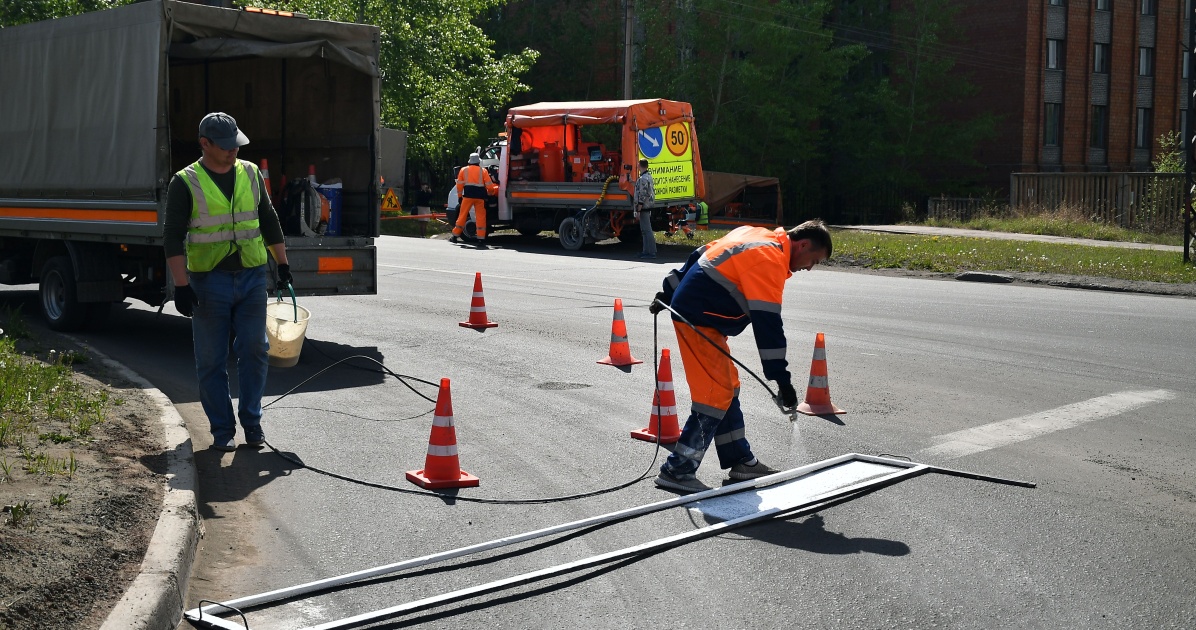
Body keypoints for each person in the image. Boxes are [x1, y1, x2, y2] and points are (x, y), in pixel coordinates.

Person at [648, 220, 833, 493]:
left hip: (703, 316)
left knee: (728, 386)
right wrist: (782, 381)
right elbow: (768, 325)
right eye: (813, 260)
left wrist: (668, 289)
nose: (809, 267)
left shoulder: (755, 234)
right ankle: (678, 469)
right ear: (803, 244)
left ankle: (740, 460)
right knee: (714, 394)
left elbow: (701, 254)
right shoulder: (770, 259)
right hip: (697, 319)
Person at [163, 112, 290, 453]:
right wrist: (181, 285)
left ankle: (252, 423)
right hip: (208, 283)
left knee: (255, 348)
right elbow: (172, 237)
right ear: (204, 144)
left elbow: (267, 218)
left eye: (236, 144)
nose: (233, 151)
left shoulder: (249, 173)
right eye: (225, 146)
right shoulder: (185, 182)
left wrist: (282, 264)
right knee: (211, 361)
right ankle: (222, 431)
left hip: (251, 277)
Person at [450, 153, 497, 249]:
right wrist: (491, 194)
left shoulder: (463, 170)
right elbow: (489, 185)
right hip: (480, 198)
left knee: (462, 215)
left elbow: (459, 185)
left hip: (467, 197)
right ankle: (481, 239)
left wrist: (459, 196)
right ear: (478, 162)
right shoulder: (483, 171)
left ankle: (455, 236)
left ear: (469, 161)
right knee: (480, 217)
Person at [635, 159, 656, 259]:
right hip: (647, 206)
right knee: (644, 230)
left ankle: (651, 252)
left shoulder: (643, 178)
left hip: (644, 207)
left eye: (638, 164)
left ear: (640, 165)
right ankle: (645, 251)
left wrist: (638, 210)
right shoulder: (648, 176)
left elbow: (642, 195)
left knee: (647, 230)